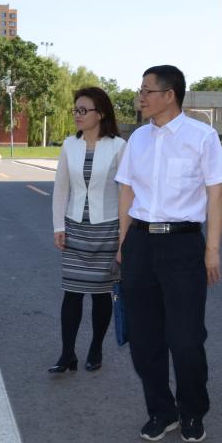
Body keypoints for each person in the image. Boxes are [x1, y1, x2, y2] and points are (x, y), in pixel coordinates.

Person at [115, 64, 222, 443]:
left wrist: (211, 250)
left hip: (183, 245)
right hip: (141, 244)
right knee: (145, 338)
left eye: (148, 90)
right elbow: (127, 192)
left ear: (170, 95)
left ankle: (193, 410)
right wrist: (122, 243)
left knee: (185, 338)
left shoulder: (202, 137)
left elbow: (216, 194)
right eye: (141, 90)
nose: (141, 96)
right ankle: (160, 411)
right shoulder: (138, 140)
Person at [49, 87, 126, 374]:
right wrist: (59, 225)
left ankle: (96, 347)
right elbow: (60, 188)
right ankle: (67, 353)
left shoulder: (118, 146)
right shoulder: (70, 145)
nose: (77, 115)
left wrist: (124, 237)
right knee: (72, 292)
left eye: (83, 110)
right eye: (76, 110)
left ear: (100, 114)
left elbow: (125, 194)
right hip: (74, 227)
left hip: (107, 228)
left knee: (101, 293)